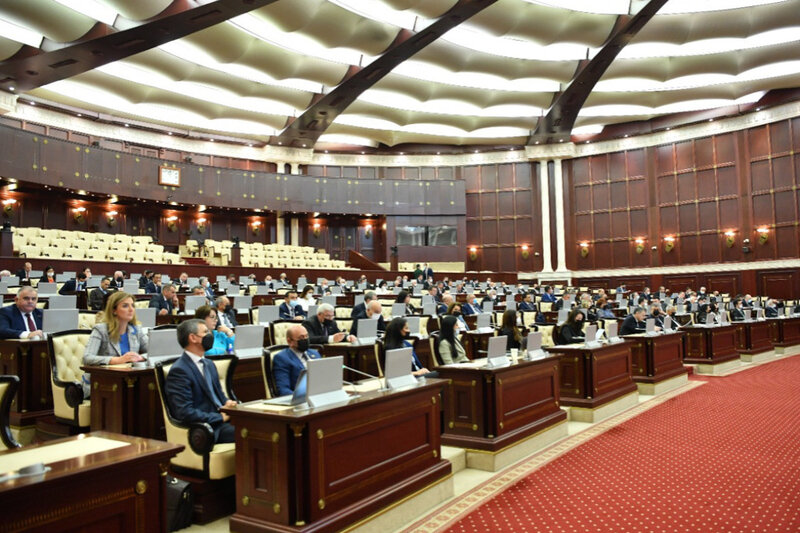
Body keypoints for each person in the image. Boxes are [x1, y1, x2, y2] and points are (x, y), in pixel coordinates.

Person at [165, 319, 237, 443]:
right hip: (207, 429)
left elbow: (219, 396)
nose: (210, 335)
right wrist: (219, 417)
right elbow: (184, 412)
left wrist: (229, 404)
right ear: (193, 338)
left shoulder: (209, 364)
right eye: (205, 332)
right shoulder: (179, 370)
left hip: (224, 421)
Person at [82, 292, 148, 396]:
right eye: (125, 306)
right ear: (114, 310)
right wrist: (116, 360)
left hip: (128, 380)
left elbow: (153, 353)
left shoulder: (136, 330)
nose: (131, 309)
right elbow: (87, 358)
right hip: (101, 384)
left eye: (132, 305)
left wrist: (140, 357)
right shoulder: (100, 330)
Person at [272, 325, 321, 396]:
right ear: (289, 341)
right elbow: (283, 389)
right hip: (301, 398)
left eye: (306, 336)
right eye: (301, 337)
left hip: (319, 393)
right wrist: (300, 399)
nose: (305, 339)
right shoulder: (282, 358)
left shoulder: (314, 353)